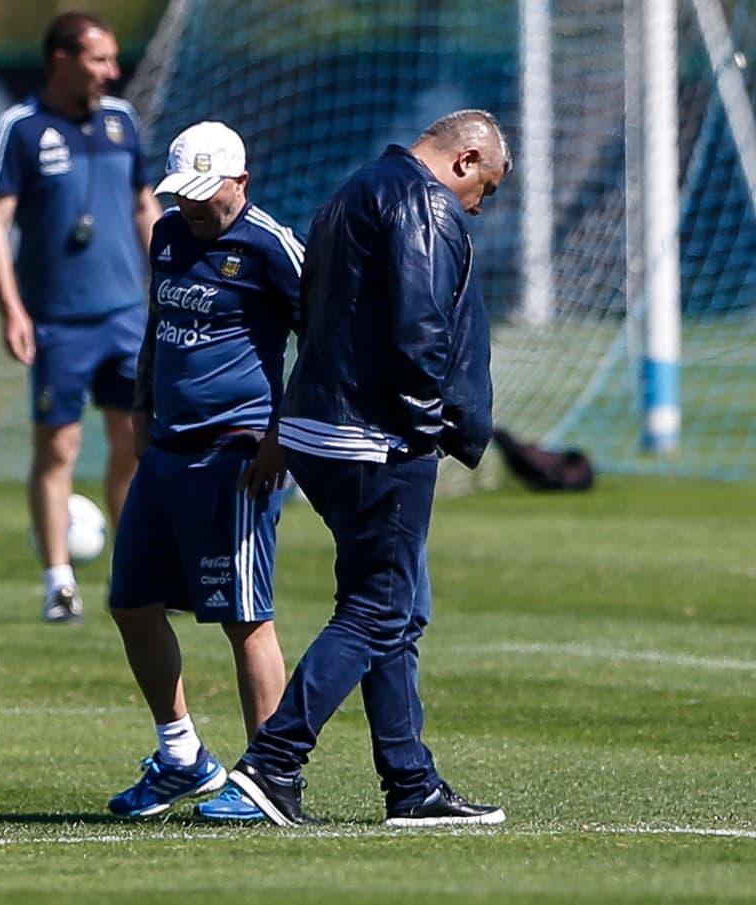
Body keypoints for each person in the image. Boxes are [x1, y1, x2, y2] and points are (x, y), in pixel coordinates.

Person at [216, 110, 511, 827]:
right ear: (466, 159)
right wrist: (425, 423)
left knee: (397, 608)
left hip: (321, 427)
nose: (478, 206)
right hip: (374, 436)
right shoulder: (422, 200)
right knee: (379, 608)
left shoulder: (353, 187)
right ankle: (272, 762)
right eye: (487, 189)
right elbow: (419, 328)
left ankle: (412, 783)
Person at [105, 121, 303, 820]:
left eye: (203, 193)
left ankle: (271, 779)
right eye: (180, 192)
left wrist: (284, 435)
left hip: (237, 456)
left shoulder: (272, 247)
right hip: (165, 452)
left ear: (240, 183)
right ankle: (183, 757)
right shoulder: (166, 233)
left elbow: (327, 340)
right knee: (131, 601)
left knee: (245, 618)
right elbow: (158, 323)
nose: (189, 206)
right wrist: (140, 404)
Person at [0, 11, 160, 623]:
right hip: (58, 321)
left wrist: (169, 278)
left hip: (127, 315)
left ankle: (133, 571)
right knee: (59, 448)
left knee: (133, 442)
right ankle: (59, 582)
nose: (112, 71)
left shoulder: (121, 121)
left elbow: (143, 204)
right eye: (99, 60)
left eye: (113, 59)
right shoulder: (19, 128)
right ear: (61, 59)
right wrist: (12, 309)